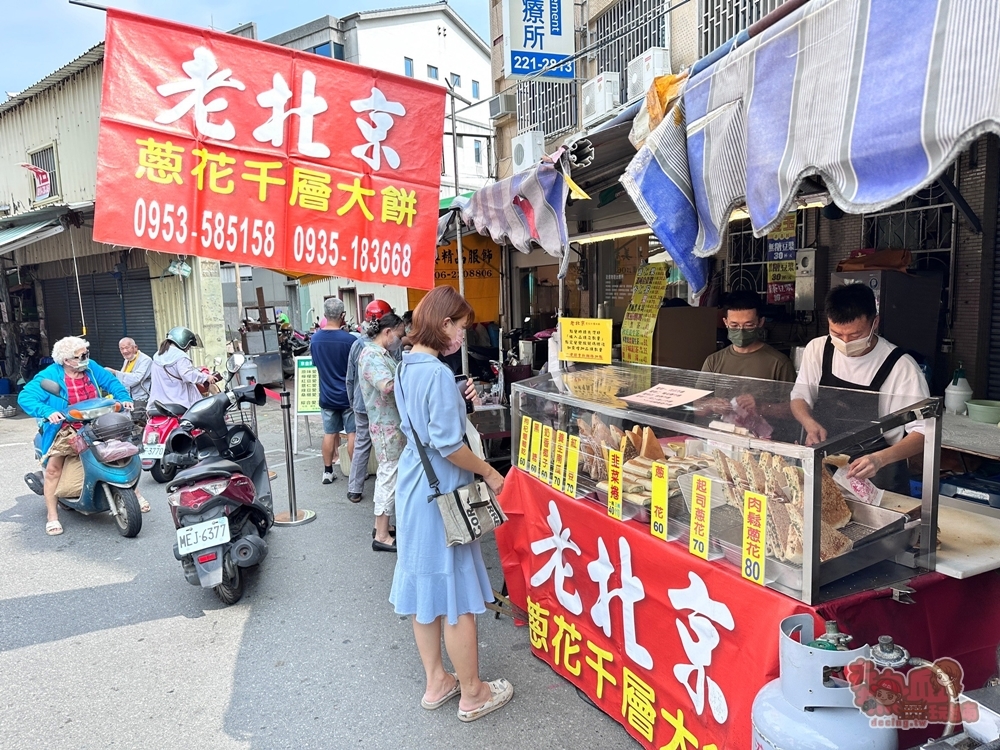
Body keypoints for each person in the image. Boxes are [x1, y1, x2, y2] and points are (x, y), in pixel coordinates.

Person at [390, 286, 513, 722]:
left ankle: (437, 681)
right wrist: (489, 470)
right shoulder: (439, 374)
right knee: (457, 596)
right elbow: (447, 445)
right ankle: (473, 693)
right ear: (444, 324)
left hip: (413, 488)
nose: (463, 335)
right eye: (460, 327)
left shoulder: (405, 365)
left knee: (426, 591)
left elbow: (422, 429)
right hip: (443, 492)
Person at [790, 284, 931, 493]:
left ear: (875, 322)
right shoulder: (817, 349)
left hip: (879, 474)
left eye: (855, 335)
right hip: (823, 466)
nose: (845, 342)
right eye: (836, 334)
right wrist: (809, 423)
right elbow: (800, 397)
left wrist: (880, 459)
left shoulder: (901, 367)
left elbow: (923, 433)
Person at [17, 336, 134, 536]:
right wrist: (47, 411)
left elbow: (112, 383)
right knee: (53, 469)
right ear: (67, 360)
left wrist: (124, 398)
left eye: (86, 354)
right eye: (81, 356)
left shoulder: (91, 369)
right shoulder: (51, 375)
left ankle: (135, 495)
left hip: (96, 423)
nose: (86, 358)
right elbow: (25, 397)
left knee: (121, 452)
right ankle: (52, 516)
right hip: (65, 427)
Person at [358, 312, 407, 551]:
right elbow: (387, 386)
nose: (401, 339)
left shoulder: (380, 354)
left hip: (391, 424)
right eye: (399, 334)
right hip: (386, 426)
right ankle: (381, 535)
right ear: (387, 332)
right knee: (389, 476)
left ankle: (384, 526)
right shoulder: (371, 355)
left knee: (390, 474)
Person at [346, 300, 394, 503]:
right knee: (388, 450)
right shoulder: (388, 343)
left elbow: (350, 377)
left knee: (362, 444)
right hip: (382, 404)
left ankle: (355, 489)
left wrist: (352, 401)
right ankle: (387, 493)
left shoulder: (357, 344)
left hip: (360, 402)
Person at [312, 298, 357, 485]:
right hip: (348, 396)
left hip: (327, 395)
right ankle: (356, 473)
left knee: (329, 433)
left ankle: (327, 471)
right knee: (353, 433)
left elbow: (317, 365)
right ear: (343, 316)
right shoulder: (351, 341)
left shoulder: (315, 340)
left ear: (324, 315)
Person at [702, 291, 796, 381]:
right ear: (725, 322)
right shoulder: (713, 361)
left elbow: (792, 397)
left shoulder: (779, 364)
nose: (741, 330)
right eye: (734, 325)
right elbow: (702, 397)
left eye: (749, 325)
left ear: (761, 322)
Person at [148, 327, 220, 411]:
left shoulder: (158, 355)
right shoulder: (180, 356)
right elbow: (187, 374)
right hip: (179, 401)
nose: (189, 348)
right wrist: (206, 377)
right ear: (183, 341)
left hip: (159, 402)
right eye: (189, 345)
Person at [107, 337, 152, 403]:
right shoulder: (127, 360)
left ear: (135, 347)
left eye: (127, 348)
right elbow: (123, 379)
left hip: (140, 400)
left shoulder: (145, 360)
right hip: (127, 398)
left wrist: (115, 373)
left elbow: (136, 378)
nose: (125, 351)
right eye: (122, 349)